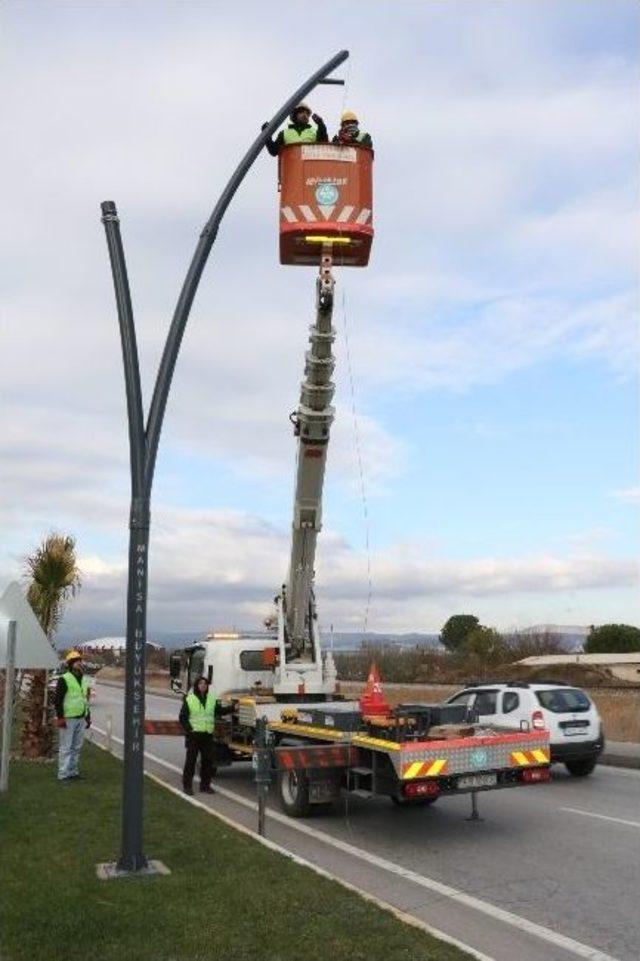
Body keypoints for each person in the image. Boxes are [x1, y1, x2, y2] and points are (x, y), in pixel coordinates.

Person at [179, 675, 228, 796]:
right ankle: (187, 786)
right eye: (201, 683)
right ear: (196, 685)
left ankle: (205, 786)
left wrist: (233, 708)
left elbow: (219, 711)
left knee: (208, 762)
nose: (203, 686)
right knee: (190, 762)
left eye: (205, 684)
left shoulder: (211, 699)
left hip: (207, 735)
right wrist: (189, 730)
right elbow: (183, 718)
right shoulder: (190, 699)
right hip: (194, 736)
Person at [54, 650, 91, 782]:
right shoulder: (64, 679)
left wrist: (88, 716)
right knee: (66, 747)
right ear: (70, 664)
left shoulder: (84, 679)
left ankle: (73, 772)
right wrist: (60, 718)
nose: (79, 663)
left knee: (76, 747)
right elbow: (57, 700)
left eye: (80, 660)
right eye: (76, 661)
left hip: (80, 717)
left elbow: (84, 699)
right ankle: (63, 774)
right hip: (68, 719)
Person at [263, 103, 328, 156]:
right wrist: (266, 135)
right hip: (292, 168)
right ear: (294, 114)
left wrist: (321, 125)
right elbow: (274, 151)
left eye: (307, 113)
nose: (305, 115)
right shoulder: (284, 133)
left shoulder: (314, 132)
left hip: (310, 169)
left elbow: (323, 145)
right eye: (301, 112)